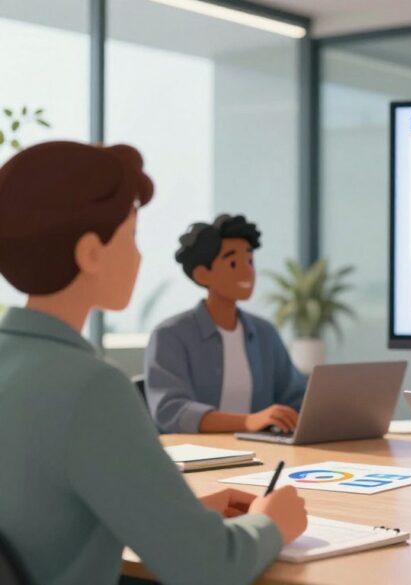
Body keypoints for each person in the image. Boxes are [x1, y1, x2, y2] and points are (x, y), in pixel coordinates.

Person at [0, 141, 307, 585]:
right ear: (90, 253)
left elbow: (45, 513)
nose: (140, 255)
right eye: (131, 235)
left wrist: (178, 515)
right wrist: (272, 522)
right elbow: (208, 567)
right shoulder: (92, 388)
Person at [145, 215, 307, 434]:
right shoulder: (170, 335)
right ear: (202, 274)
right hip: (197, 457)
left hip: (265, 452)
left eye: (250, 261)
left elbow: (295, 396)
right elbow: (171, 411)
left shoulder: (265, 333)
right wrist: (249, 422)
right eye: (233, 263)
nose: (247, 271)